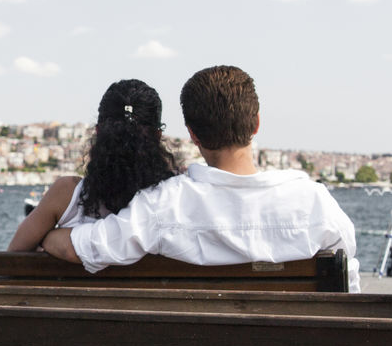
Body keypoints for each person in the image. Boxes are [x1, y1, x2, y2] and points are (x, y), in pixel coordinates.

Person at [41, 65, 361, 291]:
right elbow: (349, 286)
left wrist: (47, 237)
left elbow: (79, 249)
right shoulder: (316, 203)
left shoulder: (163, 204)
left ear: (192, 134)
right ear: (256, 124)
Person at [8, 79, 181, 252]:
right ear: (158, 135)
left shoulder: (66, 194)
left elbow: (12, 257)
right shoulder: (176, 199)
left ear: (98, 132)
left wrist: (48, 239)